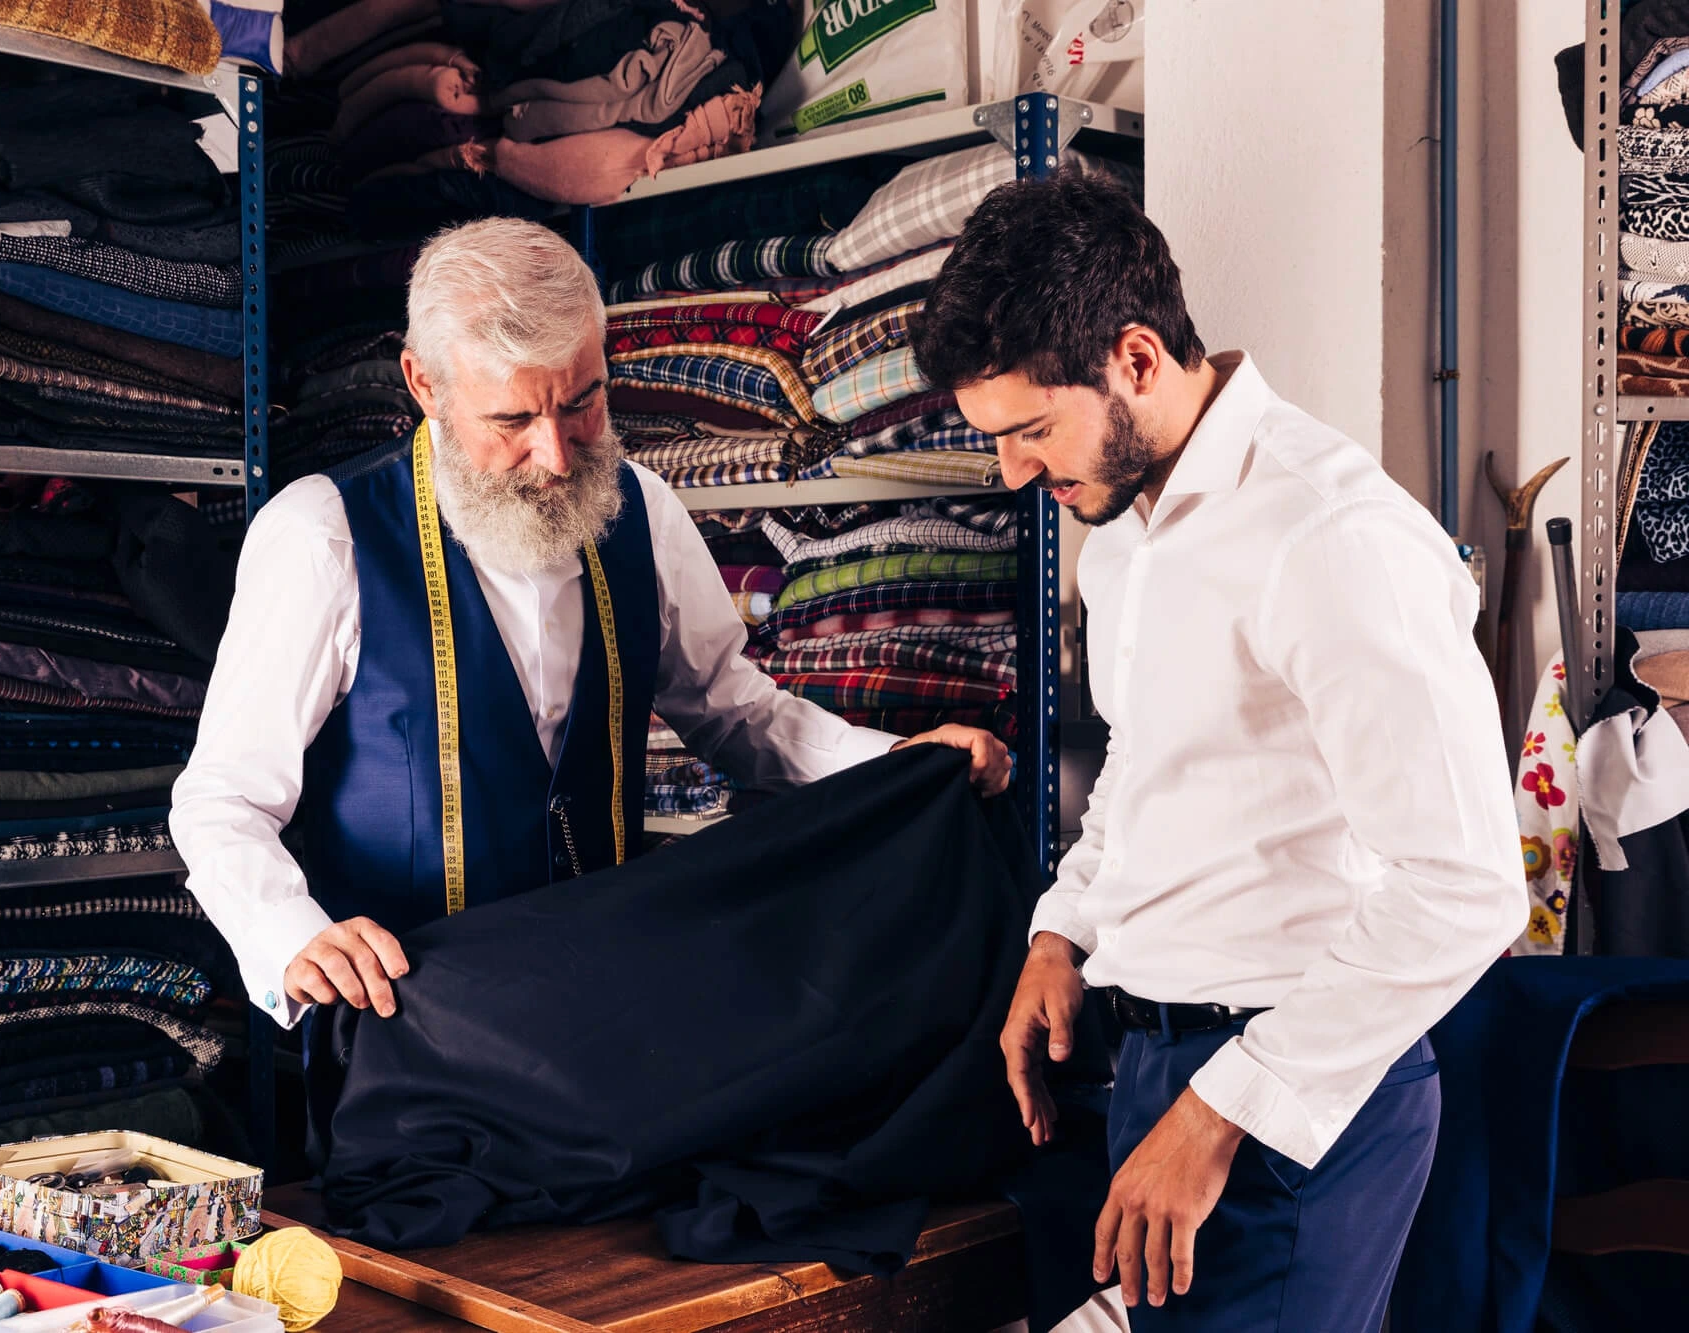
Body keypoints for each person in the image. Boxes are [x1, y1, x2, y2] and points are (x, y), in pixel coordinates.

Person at [911, 172, 1526, 1330]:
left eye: (1029, 431)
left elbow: (1466, 887)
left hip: (1292, 1101)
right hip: (1154, 1068)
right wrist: (1063, 929)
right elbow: (1147, 777)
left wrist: (1217, 1111)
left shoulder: (1331, 538)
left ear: (1134, 360)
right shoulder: (1121, 540)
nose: (1012, 475)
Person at [172, 217, 1011, 1044]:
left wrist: (891, 765)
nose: (560, 455)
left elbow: (736, 713)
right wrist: (289, 933)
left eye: (583, 402)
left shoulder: (642, 508)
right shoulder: (325, 535)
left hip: (600, 1018)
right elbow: (223, 799)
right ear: (424, 384)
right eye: (512, 421)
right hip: (411, 1038)